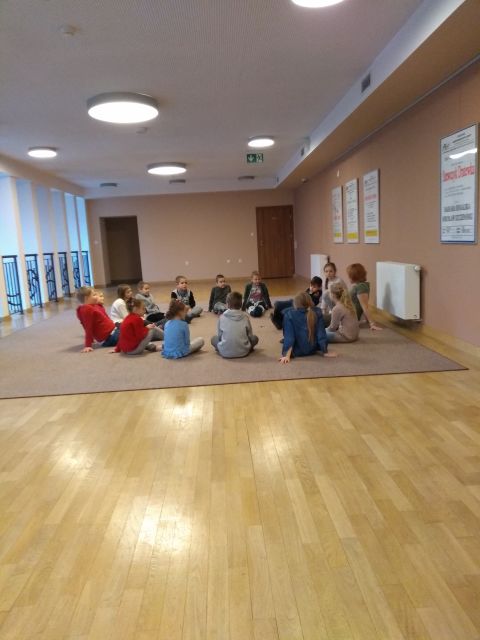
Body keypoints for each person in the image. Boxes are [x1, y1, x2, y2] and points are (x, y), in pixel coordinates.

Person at [279, 291, 337, 364]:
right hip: (313, 349)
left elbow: (289, 336)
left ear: (295, 303)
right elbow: (321, 334)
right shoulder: (318, 312)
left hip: (297, 351)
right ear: (310, 301)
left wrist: (286, 355)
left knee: (284, 312)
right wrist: (325, 351)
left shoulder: (289, 315)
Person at [211, 291, 258, 358]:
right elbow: (250, 335)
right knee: (255, 338)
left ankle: (222, 349)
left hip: (225, 352)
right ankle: (246, 349)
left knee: (213, 339)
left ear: (227, 304)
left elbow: (220, 336)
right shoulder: (245, 317)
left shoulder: (221, 317)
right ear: (241, 305)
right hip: (244, 352)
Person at [76, 286, 119, 352]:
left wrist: (100, 304)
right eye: (94, 295)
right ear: (86, 298)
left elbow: (104, 316)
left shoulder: (93, 306)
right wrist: (88, 345)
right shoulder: (87, 309)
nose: (97, 296)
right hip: (110, 337)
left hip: (113, 332)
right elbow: (88, 327)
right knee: (131, 334)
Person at [346, 263, 382, 330]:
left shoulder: (361, 287)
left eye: (349, 276)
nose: (348, 278)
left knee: (324, 319)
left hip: (348, 317)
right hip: (346, 314)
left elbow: (364, 306)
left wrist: (372, 323)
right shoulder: (360, 286)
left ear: (354, 276)